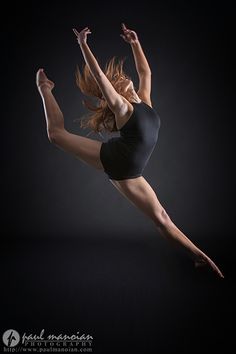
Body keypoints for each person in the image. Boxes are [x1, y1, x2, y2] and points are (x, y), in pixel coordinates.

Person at [36, 23, 224, 278]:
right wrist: (83, 45)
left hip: (130, 170)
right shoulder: (124, 109)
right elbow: (102, 81)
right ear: (118, 93)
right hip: (118, 162)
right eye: (119, 81)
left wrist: (135, 44)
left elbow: (145, 72)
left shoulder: (144, 101)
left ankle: (199, 258)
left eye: (123, 77)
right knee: (56, 135)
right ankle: (44, 88)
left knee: (162, 218)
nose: (123, 78)